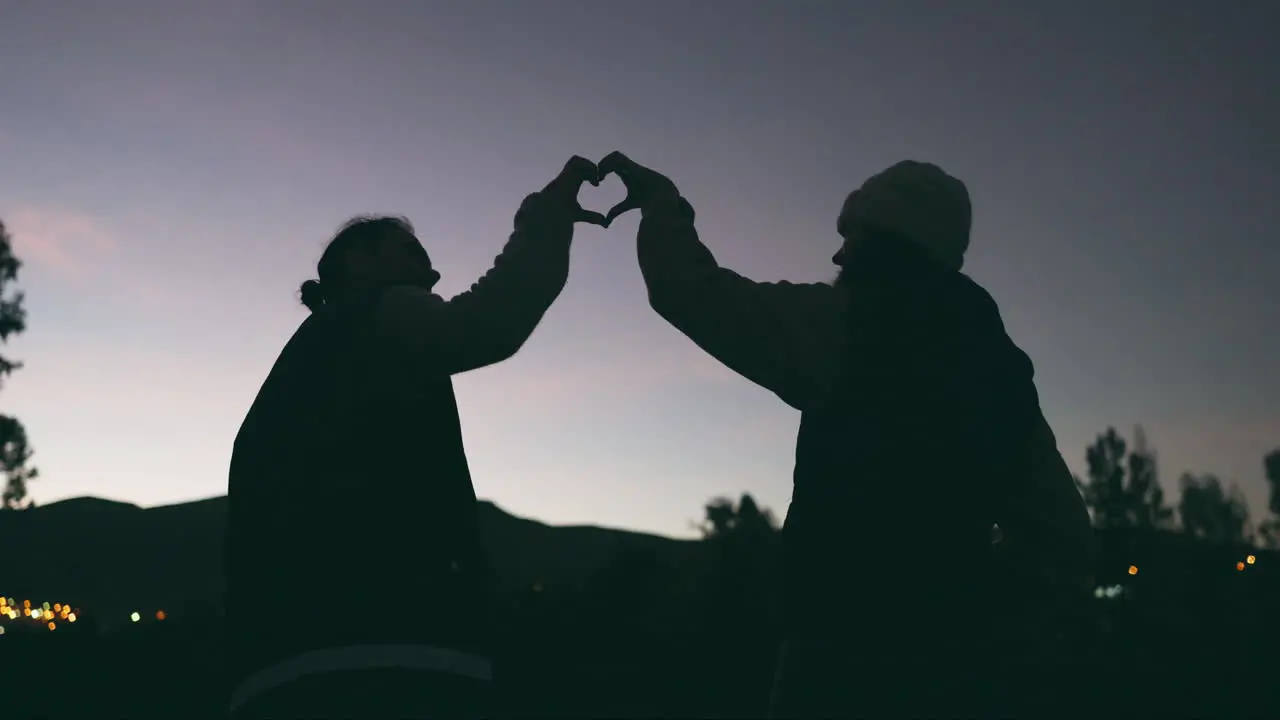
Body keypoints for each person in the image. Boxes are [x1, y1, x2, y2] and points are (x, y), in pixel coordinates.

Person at [598, 152, 1096, 717]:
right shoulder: (997, 369)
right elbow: (1063, 540)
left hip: (834, 664)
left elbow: (689, 290)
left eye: (851, 234)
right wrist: (981, 622)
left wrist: (662, 203)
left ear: (882, 240)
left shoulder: (848, 328)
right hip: (961, 675)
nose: (837, 252)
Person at [223, 157, 607, 719]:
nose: (430, 275)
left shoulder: (298, 368)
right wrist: (547, 216)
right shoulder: (383, 310)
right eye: (409, 253)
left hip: (275, 666)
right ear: (355, 263)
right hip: (389, 656)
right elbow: (490, 322)